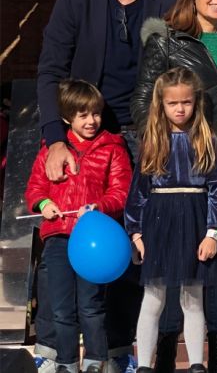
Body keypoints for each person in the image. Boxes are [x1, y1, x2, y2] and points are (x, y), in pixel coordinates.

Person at [35, 0, 176, 373]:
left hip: (143, 141)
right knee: (67, 246)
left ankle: (119, 351)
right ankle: (56, 352)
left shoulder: (165, 3)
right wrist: (56, 139)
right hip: (83, 139)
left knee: (136, 248)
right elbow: (50, 71)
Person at [131, 0, 217, 373]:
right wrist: (158, 151)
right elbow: (144, 100)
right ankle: (164, 351)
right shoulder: (168, 42)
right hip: (179, 171)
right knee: (169, 267)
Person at [125, 67, 217, 373]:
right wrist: (136, 233)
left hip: (196, 221)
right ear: (161, 104)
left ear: (195, 102)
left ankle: (197, 364)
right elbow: (138, 193)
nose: (180, 108)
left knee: (193, 296)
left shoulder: (206, 139)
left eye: (186, 102)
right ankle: (144, 364)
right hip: (159, 221)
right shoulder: (152, 141)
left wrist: (212, 233)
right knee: (153, 297)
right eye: (173, 103)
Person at [25, 80, 131, 373]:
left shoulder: (113, 146)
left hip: (93, 241)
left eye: (95, 113)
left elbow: (121, 191)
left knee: (91, 305)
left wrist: (98, 208)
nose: (91, 121)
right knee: (61, 308)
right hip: (59, 236)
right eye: (82, 115)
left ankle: (97, 361)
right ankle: (66, 362)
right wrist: (44, 204)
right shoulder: (52, 148)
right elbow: (35, 187)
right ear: (66, 117)